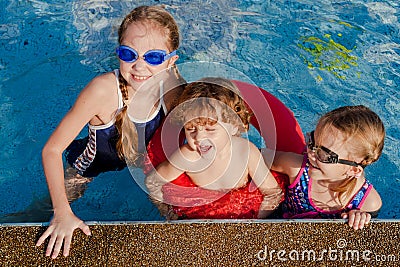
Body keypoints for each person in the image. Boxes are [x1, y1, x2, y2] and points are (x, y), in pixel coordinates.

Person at [36, 5, 185, 258]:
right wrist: (62, 213)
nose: (139, 66)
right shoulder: (102, 91)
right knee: (42, 213)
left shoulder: (173, 86)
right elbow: (52, 150)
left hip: (143, 159)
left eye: (154, 58)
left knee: (177, 217)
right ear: (118, 53)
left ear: (171, 61)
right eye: (129, 54)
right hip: (95, 161)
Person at [145, 78, 283, 219]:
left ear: (235, 126)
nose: (199, 137)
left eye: (210, 129)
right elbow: (153, 182)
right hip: (199, 209)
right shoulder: (188, 157)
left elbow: (273, 193)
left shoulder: (246, 153)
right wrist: (167, 211)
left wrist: (255, 222)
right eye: (190, 128)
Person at [267, 105, 384, 230]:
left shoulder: (369, 202)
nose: (311, 153)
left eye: (324, 154)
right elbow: (254, 157)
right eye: (312, 141)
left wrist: (360, 218)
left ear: (353, 170)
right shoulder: (296, 168)